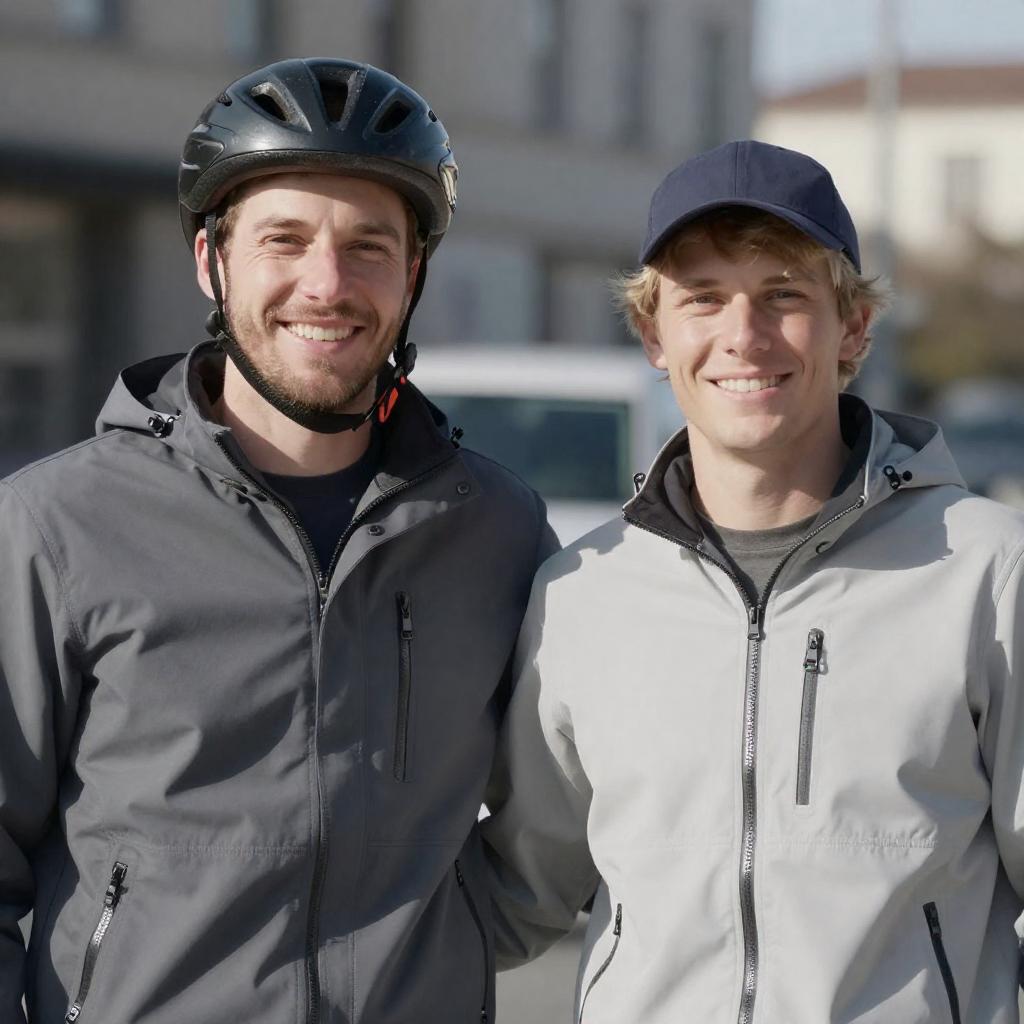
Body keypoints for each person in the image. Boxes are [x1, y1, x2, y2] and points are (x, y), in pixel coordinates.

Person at [0, 58, 554, 1024]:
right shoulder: (55, 526)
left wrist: (451, 949)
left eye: (369, 246)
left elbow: (557, 821)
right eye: (284, 240)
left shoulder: (497, 531)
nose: (326, 284)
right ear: (211, 261)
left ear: (414, 274)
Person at [481, 140, 1024, 1022]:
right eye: (703, 298)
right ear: (653, 334)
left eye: (784, 295)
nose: (744, 335)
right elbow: (519, 889)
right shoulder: (582, 594)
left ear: (854, 328)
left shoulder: (989, 573)